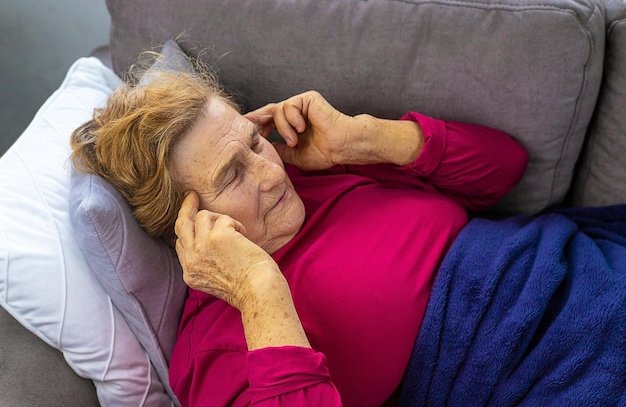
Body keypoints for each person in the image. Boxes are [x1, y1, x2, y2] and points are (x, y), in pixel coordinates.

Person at [70, 55, 528, 407]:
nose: (270, 175)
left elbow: (506, 168)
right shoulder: (216, 348)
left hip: (550, 267)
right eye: (231, 176)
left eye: (253, 141)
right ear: (186, 223)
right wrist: (260, 290)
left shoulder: (315, 169)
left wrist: (363, 139)